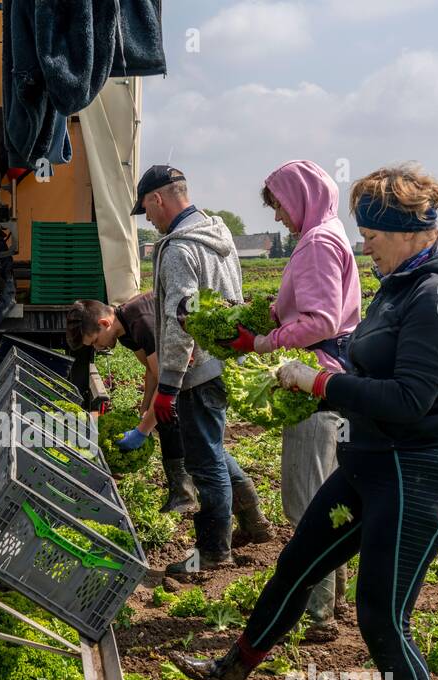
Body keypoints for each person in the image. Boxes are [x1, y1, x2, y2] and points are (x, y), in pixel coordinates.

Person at [174, 163, 438, 680]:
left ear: (406, 231)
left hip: (417, 474)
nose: (361, 243)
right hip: (368, 461)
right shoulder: (402, 280)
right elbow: (377, 367)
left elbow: (411, 399)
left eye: (370, 233)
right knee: (295, 566)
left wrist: (322, 383)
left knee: (381, 619)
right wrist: (340, 374)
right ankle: (231, 671)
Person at [224, 160, 361, 640]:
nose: (279, 217)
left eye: (280, 205)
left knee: (304, 500)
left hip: (314, 376)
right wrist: (272, 315)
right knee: (324, 492)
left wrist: (262, 342)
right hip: (327, 373)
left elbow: (321, 320)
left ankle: (319, 616)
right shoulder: (327, 233)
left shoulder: (319, 243)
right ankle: (335, 599)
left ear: (300, 196)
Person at [134, 165, 275, 575]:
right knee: (211, 448)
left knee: (204, 462)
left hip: (197, 369)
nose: (148, 219)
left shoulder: (178, 249)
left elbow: (182, 321)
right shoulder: (217, 233)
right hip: (226, 361)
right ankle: (252, 519)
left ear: (159, 198)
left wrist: (168, 385)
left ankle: (213, 551)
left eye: (146, 208)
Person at [65, 293, 197, 513]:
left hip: (199, 365)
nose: (97, 348)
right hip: (176, 370)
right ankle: (183, 492)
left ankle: (185, 496)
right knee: (165, 417)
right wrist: (145, 407)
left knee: (176, 423)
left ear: (104, 323)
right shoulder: (124, 330)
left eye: (95, 341)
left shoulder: (141, 322)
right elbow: (151, 368)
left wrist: (142, 431)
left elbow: (166, 381)